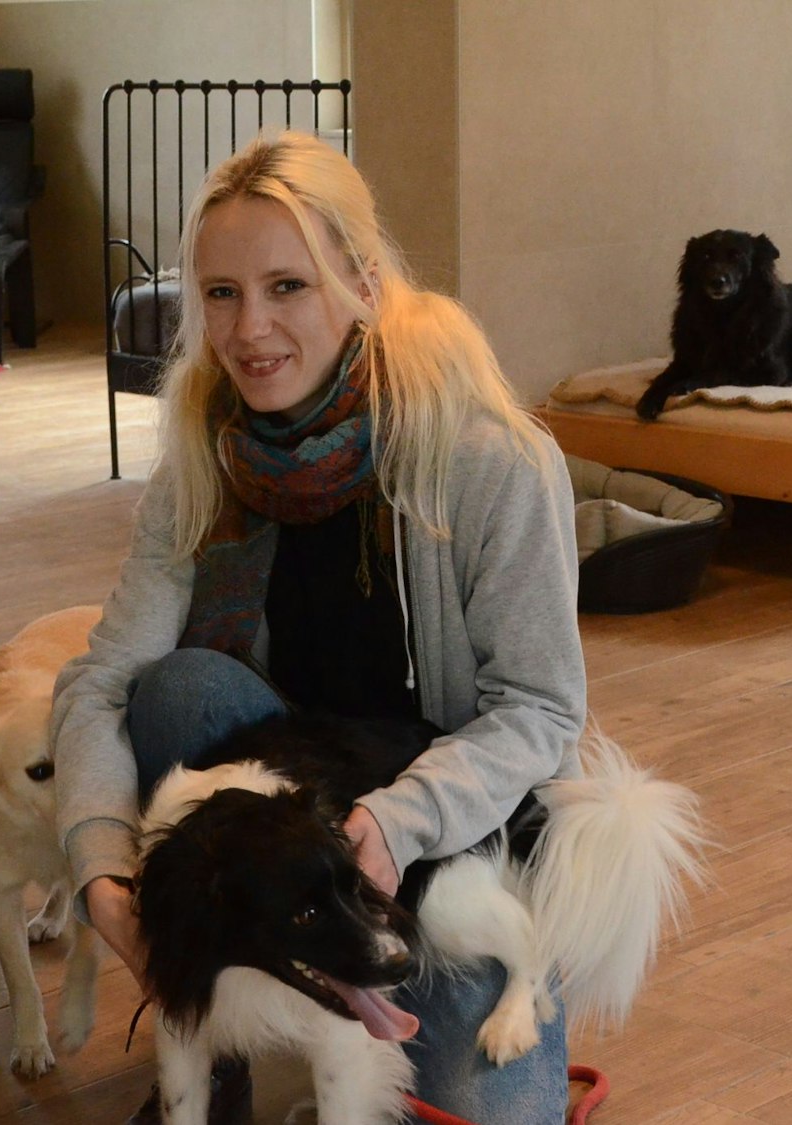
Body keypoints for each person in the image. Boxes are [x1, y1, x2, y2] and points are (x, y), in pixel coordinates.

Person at [52, 132, 586, 1125]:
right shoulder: (200, 465)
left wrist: (397, 822)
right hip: (295, 799)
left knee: (497, 1114)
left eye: (286, 286)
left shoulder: (490, 462)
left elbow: (542, 707)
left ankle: (411, 984)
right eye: (219, 293)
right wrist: (97, 867)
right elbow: (96, 685)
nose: (249, 328)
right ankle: (212, 1055)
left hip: (450, 825)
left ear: (363, 285)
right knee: (174, 692)